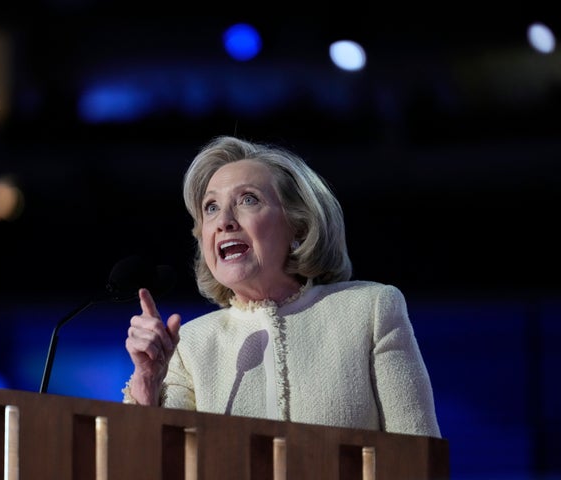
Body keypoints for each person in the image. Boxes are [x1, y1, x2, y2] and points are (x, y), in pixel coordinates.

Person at [122, 135, 441, 438]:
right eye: (211, 207)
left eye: (248, 200)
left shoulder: (368, 311)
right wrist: (148, 383)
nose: (224, 221)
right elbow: (162, 463)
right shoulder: (191, 345)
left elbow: (417, 456)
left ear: (299, 225)